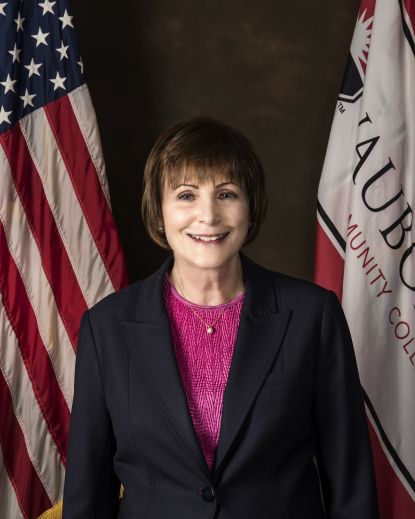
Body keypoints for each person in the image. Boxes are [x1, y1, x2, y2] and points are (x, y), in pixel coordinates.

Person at [62, 116, 380, 518]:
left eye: (226, 194)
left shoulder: (312, 317)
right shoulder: (105, 329)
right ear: (159, 211)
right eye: (186, 195)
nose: (208, 215)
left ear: (250, 208)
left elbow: (351, 486)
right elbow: (87, 497)